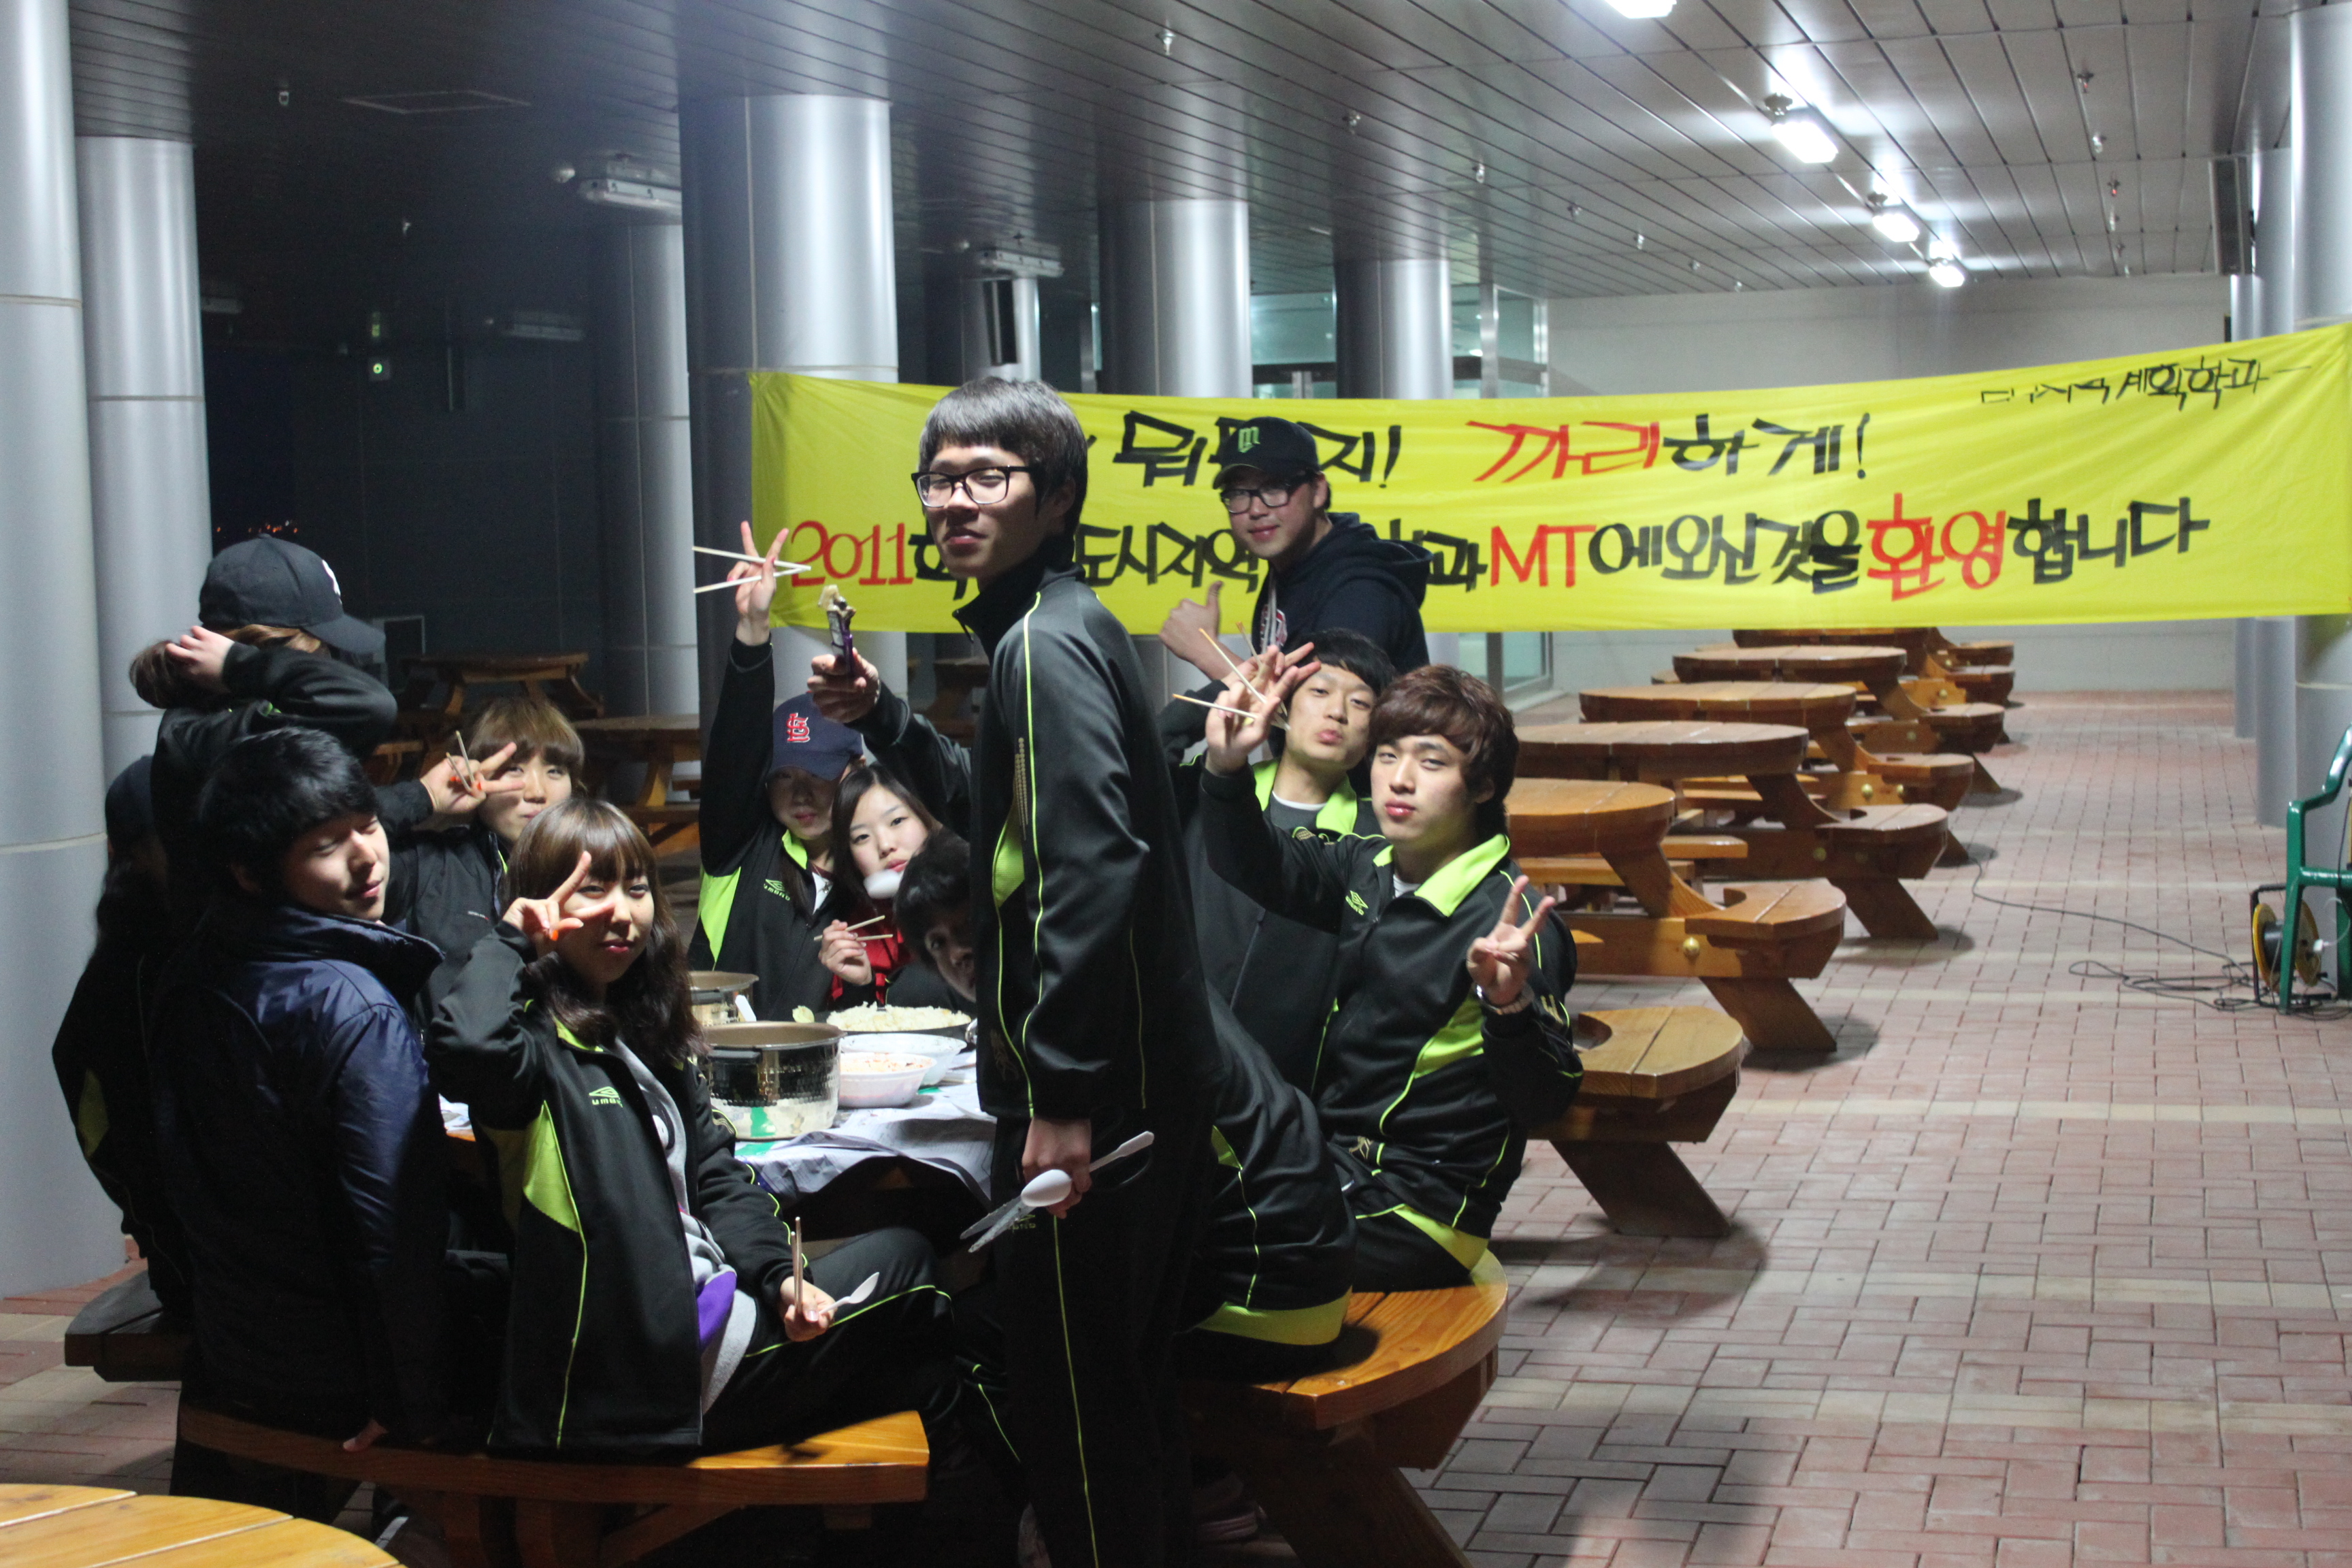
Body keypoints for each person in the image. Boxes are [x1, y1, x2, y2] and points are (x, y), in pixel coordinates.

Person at [806, 378, 1218, 1568]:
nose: (954, 501)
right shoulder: (1057, 624)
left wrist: (1064, 1095)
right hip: (1145, 1077)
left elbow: (1092, 867)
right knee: (1123, 1388)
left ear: (1059, 497)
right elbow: (1003, 821)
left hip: (1108, 1092)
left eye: (988, 476)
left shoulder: (1043, 645)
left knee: (1077, 1412)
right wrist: (887, 721)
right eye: (939, 479)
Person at [429, 797, 954, 1453]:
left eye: (637, 889)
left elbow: (715, 1175)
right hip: (646, 1378)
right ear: (541, 905)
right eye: (592, 890)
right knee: (917, 1275)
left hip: (711, 1320)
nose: (622, 912)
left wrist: (781, 1279)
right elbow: (465, 1047)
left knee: (913, 1349)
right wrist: (511, 940)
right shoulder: (532, 1056)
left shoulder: (643, 1035)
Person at [896, 833, 1352, 1389]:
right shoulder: (1105, 968)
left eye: (968, 924)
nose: (959, 954)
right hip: (1306, 1264)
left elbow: (1112, 1216)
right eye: (938, 943)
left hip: (1265, 1294)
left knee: (969, 1337)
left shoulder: (1069, 1014)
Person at [1198, 657, 1582, 1290]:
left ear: (1482, 787)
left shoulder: (1510, 925)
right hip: (1332, 1165)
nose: (1399, 780)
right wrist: (1226, 767)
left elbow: (1546, 1100)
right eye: (1386, 756)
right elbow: (1257, 864)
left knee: (1184, 1248)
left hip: (1417, 1212)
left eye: (1431, 763)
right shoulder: (1369, 864)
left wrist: (1509, 1006)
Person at [148, 728, 449, 1514]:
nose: (366, 858)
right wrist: (408, 1399)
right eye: (326, 845)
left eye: (368, 825)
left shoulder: (192, 972)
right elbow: (392, 1227)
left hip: (236, 1345)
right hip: (334, 1370)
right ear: (251, 872)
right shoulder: (349, 1007)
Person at [137, 535, 514, 933]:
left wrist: (425, 796)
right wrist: (241, 665)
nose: (332, 663)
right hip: (249, 960)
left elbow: (314, 829)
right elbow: (369, 704)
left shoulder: (241, 719)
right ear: (272, 650)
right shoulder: (206, 738)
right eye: (320, 652)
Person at [1178, 627, 1393, 1090]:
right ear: (1281, 704)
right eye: (1319, 691)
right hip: (1178, 1061)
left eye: (1360, 703)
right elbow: (1120, 764)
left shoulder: (1373, 840)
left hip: (1292, 1089)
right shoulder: (1204, 786)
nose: (1337, 711)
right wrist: (1228, 688)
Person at [1156, 414, 1431, 755]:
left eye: (1274, 488)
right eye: (1239, 494)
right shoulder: (1292, 568)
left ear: (1318, 491)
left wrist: (1207, 651)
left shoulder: (1360, 591)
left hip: (1375, 786)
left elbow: (1320, 718)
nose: (1256, 509)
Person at [695, 521, 868, 1021]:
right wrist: (754, 629)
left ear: (855, 770)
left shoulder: (877, 868)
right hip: (719, 1057)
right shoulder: (740, 847)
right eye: (785, 777)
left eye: (819, 774)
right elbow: (736, 746)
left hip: (835, 1063)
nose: (801, 794)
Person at [49, 757, 193, 1320]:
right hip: (200, 1268)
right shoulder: (127, 978)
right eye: (174, 838)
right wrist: (154, 1225)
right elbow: (108, 1129)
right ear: (131, 855)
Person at [382, 696, 581, 963]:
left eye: (555, 771)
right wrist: (424, 796)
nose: (537, 792)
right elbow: (334, 845)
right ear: (472, 774)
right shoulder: (429, 866)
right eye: (514, 769)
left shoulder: (601, 864)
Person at [814, 764, 964, 1011]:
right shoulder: (860, 932)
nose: (884, 845)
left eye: (897, 821)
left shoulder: (974, 894)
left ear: (927, 817)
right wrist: (861, 984)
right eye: (862, 837)